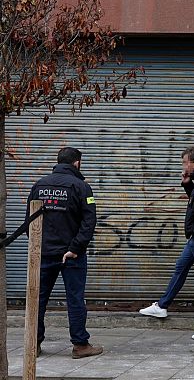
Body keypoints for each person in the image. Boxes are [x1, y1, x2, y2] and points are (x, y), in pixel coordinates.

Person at [139, 145, 194, 340]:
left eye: (185, 163)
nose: (183, 167)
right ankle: (162, 306)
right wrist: (188, 185)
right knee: (180, 268)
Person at [26, 147, 103, 359]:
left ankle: (34, 344)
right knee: (75, 299)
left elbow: (28, 222)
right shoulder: (81, 187)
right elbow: (89, 222)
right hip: (72, 256)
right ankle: (80, 345)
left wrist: (38, 247)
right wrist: (75, 248)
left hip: (42, 253)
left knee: (37, 299)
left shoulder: (39, 185)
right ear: (77, 163)